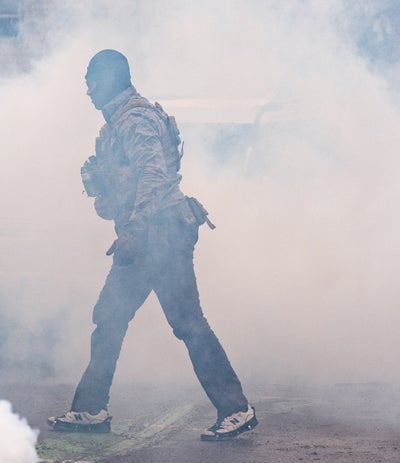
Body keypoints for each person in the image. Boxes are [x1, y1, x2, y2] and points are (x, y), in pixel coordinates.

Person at [47, 50, 257, 441]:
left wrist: (134, 229)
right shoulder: (118, 123)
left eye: (91, 81)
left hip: (160, 235)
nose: (87, 90)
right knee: (109, 317)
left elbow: (153, 176)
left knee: (188, 324)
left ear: (110, 79)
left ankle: (235, 408)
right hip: (148, 237)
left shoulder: (135, 119)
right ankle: (90, 408)